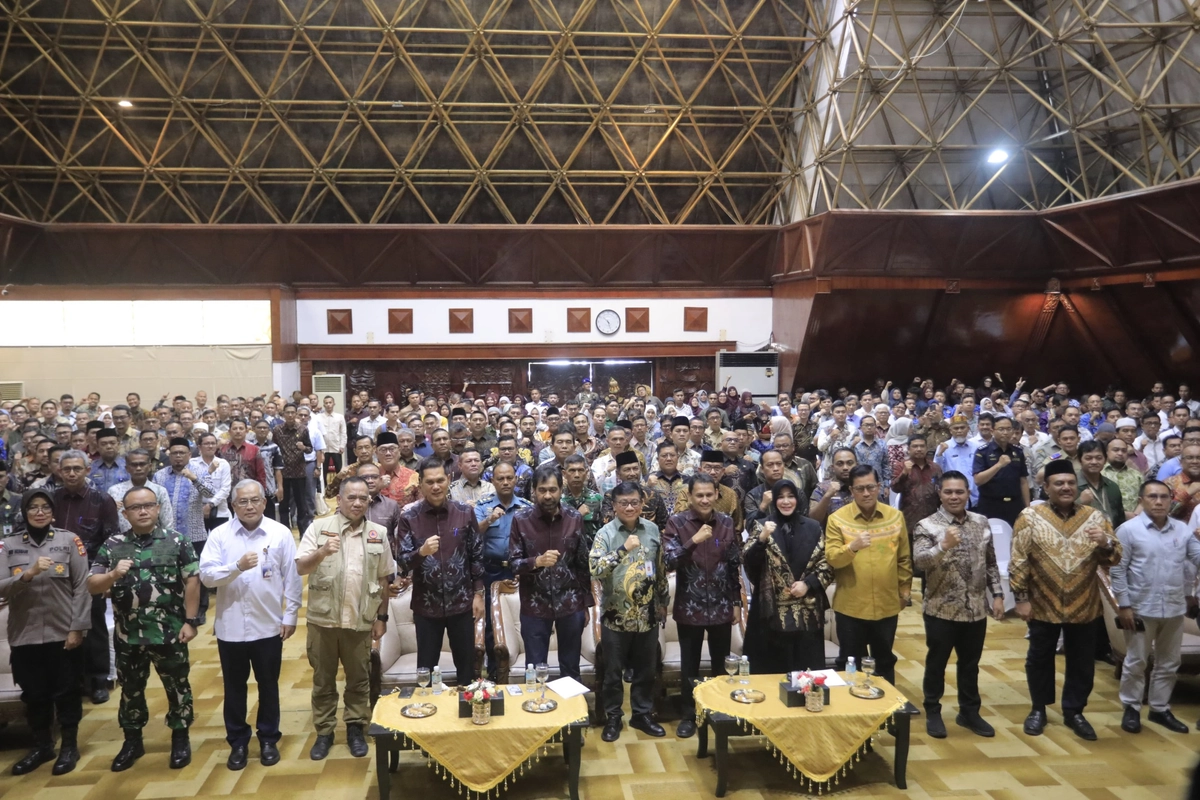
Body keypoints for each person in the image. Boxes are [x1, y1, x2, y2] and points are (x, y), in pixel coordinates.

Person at [87, 485, 201, 772]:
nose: (143, 511)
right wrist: (113, 574)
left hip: (170, 632)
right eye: (135, 507)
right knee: (130, 691)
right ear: (125, 513)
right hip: (128, 635)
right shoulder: (113, 545)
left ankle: (180, 738)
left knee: (177, 687)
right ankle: (132, 741)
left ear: (158, 508)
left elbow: (192, 580)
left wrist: (190, 621)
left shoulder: (177, 541)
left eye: (148, 505)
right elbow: (92, 585)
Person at [1010, 458, 1121, 741]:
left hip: (1084, 602)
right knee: (1039, 657)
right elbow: (1019, 559)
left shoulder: (1094, 517)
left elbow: (1114, 558)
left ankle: (1074, 711)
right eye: (1059, 483)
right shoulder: (1030, 516)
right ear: (1046, 487)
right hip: (1042, 602)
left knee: (1082, 661)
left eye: (1071, 483)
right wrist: (1021, 598)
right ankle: (1038, 709)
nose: (1066, 487)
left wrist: (1105, 542)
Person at [199, 479, 302, 770]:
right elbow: (206, 576)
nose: (249, 506)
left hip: (269, 625)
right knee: (234, 688)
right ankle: (238, 742)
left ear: (264, 502)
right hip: (230, 628)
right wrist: (236, 567)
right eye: (242, 501)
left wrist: (291, 615)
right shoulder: (220, 535)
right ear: (233, 505)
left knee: (268, 685)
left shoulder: (280, 533)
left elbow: (292, 577)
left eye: (255, 500)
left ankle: (268, 738)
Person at [296, 477, 393, 761]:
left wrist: (382, 617)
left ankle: (355, 728)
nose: (357, 503)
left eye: (363, 498)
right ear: (339, 500)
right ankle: (324, 732)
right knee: (323, 681)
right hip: (323, 621)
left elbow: (384, 579)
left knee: (359, 680)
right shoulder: (318, 528)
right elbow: (301, 567)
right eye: (351, 497)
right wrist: (322, 551)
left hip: (360, 620)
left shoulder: (378, 533)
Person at [0, 487, 91, 776]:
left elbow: (82, 587)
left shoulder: (69, 540)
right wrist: (27, 575)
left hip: (62, 632)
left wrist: (77, 628)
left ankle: (69, 746)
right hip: (24, 634)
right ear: (24, 512)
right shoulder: (7, 545)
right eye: (33, 507)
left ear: (53, 512)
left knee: (67, 691)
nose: (39, 512)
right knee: (34, 694)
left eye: (45, 507)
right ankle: (42, 746)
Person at [913, 471, 1005, 739]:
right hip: (940, 608)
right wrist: (942, 546)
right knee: (937, 663)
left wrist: (997, 595)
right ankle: (933, 710)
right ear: (940, 494)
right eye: (949, 492)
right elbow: (920, 562)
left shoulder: (981, 522)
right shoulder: (926, 525)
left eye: (959, 492)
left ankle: (969, 712)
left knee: (970, 664)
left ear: (968, 493)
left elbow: (990, 562)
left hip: (976, 608)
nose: (954, 497)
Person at [1111, 481, 1200, 735]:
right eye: (1152, 497)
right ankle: (1131, 707)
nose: (1159, 502)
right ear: (1142, 500)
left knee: (1169, 662)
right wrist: (1124, 605)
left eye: (1164, 497)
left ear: (1171, 500)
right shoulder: (1128, 530)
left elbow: (1197, 557)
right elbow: (1118, 570)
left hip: (1173, 607)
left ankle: (1160, 708)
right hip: (1140, 607)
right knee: (1136, 661)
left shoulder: (1182, 530)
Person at [590, 481, 670, 743]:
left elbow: (660, 569)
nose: (629, 507)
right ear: (614, 506)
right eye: (623, 503)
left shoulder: (652, 530)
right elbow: (595, 569)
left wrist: (663, 601)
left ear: (642, 503)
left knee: (646, 670)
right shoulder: (605, 533)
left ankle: (641, 714)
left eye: (634, 502)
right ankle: (613, 716)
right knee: (613, 673)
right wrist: (623, 549)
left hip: (647, 614)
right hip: (616, 615)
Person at [663, 473, 742, 738]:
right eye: (699, 495)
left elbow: (733, 565)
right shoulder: (677, 522)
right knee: (690, 666)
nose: (705, 500)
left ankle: (718, 711)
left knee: (721, 666)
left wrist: (736, 602)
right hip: (690, 607)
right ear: (690, 496)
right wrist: (693, 541)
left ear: (717, 494)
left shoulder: (727, 522)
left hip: (721, 605)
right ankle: (689, 714)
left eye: (709, 494)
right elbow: (668, 561)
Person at [397, 458, 485, 687]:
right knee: (426, 672)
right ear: (421, 485)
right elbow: (403, 562)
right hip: (427, 606)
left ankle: (467, 706)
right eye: (429, 482)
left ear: (448, 480)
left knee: (467, 670)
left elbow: (476, 555)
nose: (435, 486)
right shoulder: (409, 517)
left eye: (440, 481)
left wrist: (478, 594)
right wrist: (421, 552)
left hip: (462, 603)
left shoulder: (464, 512)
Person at [824, 464, 912, 686]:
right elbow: (832, 558)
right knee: (850, 663)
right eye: (860, 489)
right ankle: (851, 705)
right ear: (851, 490)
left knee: (884, 661)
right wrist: (852, 547)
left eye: (871, 487)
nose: (866, 493)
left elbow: (904, 559)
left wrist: (904, 592)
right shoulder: (837, 519)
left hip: (887, 605)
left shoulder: (895, 517)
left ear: (879, 487)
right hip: (850, 607)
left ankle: (887, 705)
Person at [508, 465, 592, 682]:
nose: (547, 496)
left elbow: (582, 564)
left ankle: (572, 705)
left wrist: (586, 604)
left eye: (553, 490)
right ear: (533, 491)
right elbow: (514, 564)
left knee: (571, 669)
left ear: (561, 490)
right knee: (535, 670)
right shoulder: (521, 519)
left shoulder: (574, 517)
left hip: (571, 603)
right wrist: (536, 562)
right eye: (542, 490)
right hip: (534, 604)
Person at [742, 480, 831, 676]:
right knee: (769, 675)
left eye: (790, 496)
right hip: (770, 614)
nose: (786, 501)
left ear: (798, 499)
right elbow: (749, 564)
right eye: (780, 497)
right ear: (774, 500)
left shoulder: (813, 527)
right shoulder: (762, 526)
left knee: (806, 675)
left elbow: (827, 563)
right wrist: (762, 539)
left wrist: (808, 584)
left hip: (806, 613)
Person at [52, 449, 121, 705]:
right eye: (67, 469)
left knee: (94, 626)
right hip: (55, 574)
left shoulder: (101, 500)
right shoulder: (51, 499)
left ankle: (98, 680)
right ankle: (73, 679)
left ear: (87, 470)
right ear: (59, 471)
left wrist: (105, 576)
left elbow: (111, 540)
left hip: (91, 572)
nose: (71, 473)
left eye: (77, 469)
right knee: (62, 626)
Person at [474, 461, 532, 678]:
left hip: (520, 571)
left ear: (516, 480)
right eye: (501, 479)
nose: (506, 482)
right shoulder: (483, 506)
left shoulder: (526, 507)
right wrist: (489, 519)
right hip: (492, 572)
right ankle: (493, 673)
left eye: (509, 478)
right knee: (492, 623)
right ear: (493, 481)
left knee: (523, 619)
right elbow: (472, 533)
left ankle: (525, 670)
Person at [972, 415, 1030, 526]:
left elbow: (1023, 481)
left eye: (1009, 429)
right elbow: (978, 480)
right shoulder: (983, 452)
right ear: (992, 431)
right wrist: (998, 465)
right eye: (1001, 429)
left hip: (1015, 504)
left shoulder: (1018, 452)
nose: (1005, 433)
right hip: (991, 504)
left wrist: (1027, 507)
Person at [109, 448, 174, 534]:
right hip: (123, 540)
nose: (138, 468)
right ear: (127, 468)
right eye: (134, 465)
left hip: (154, 540)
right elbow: (108, 524)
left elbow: (167, 523)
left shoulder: (160, 491)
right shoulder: (114, 491)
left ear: (150, 467)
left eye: (142, 464)